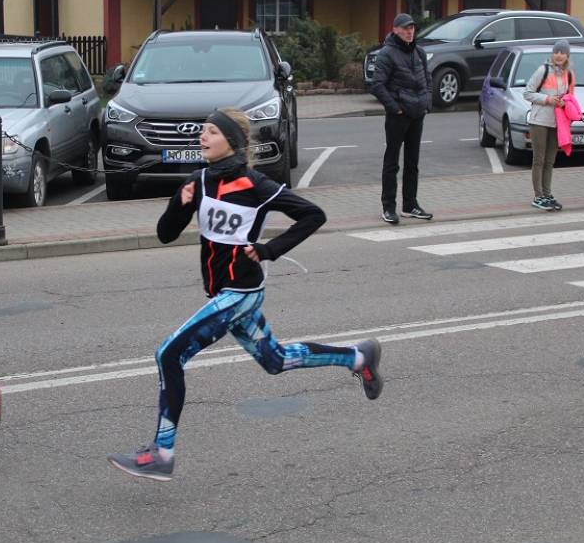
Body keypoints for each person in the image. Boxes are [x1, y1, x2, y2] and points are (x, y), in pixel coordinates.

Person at [107, 108, 383, 482]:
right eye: (202, 131)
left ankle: (162, 452)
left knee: (169, 354)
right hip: (225, 292)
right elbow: (165, 234)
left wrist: (270, 250)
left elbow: (312, 215)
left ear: (230, 141)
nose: (201, 137)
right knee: (277, 361)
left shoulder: (256, 185)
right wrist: (181, 201)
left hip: (241, 292)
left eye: (210, 132)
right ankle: (357, 357)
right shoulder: (200, 181)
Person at [369, 13, 433, 224]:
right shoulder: (387, 53)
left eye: (412, 28)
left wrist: (427, 103)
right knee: (392, 163)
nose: (409, 31)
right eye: (405, 28)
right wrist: (395, 108)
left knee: (412, 163)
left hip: (418, 114)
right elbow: (377, 84)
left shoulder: (419, 52)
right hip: (398, 116)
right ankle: (388, 207)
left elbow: (427, 78)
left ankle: (410, 205)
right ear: (395, 29)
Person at [523, 39, 574, 211]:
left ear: (567, 55)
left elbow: (569, 98)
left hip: (557, 123)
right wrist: (547, 99)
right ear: (552, 54)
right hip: (539, 121)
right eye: (556, 52)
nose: (559, 55)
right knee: (539, 159)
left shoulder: (569, 74)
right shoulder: (543, 70)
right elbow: (527, 93)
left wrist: (564, 104)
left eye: (562, 52)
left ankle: (547, 193)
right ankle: (538, 196)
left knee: (550, 161)